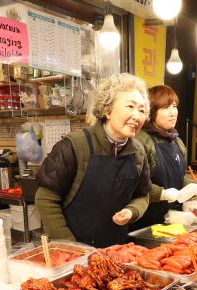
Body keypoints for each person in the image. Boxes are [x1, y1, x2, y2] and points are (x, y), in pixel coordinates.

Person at [35, 73, 151, 247]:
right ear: (107, 110)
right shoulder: (74, 145)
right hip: (73, 252)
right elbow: (45, 198)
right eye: (130, 106)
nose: (137, 116)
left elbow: (143, 195)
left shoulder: (139, 152)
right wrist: (70, 247)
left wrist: (132, 211)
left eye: (142, 110)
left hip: (116, 250)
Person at [130, 85, 197, 229]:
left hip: (174, 218)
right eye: (165, 108)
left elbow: (179, 175)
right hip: (146, 220)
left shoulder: (176, 140)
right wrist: (162, 193)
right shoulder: (141, 140)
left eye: (174, 106)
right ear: (150, 112)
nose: (172, 113)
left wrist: (191, 186)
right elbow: (134, 183)